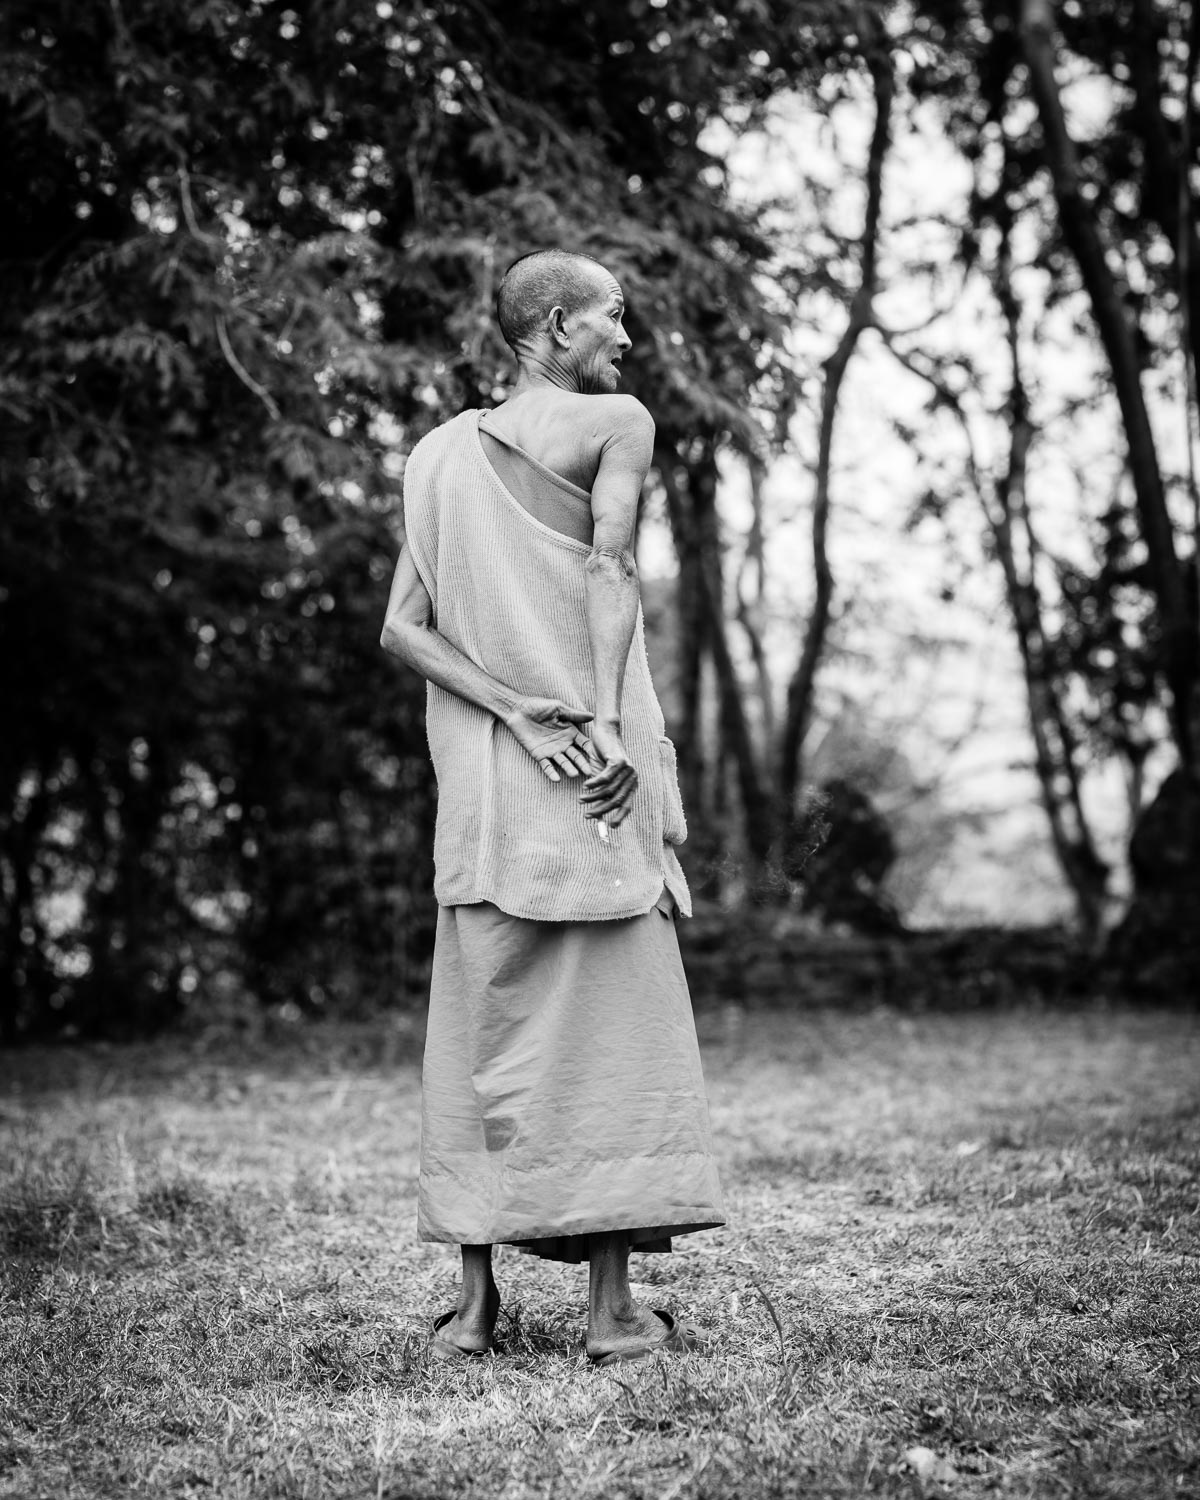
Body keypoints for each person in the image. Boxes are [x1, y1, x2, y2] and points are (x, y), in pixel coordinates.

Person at [380, 248, 724, 1366]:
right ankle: (615, 1318)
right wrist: (598, 725)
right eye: (614, 317)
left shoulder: (433, 455)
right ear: (558, 323)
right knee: (614, 1042)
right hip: (593, 783)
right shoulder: (616, 421)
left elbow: (404, 629)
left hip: (486, 793)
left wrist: (511, 716)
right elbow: (611, 571)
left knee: (484, 1040)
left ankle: (473, 1317)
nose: (626, 339)